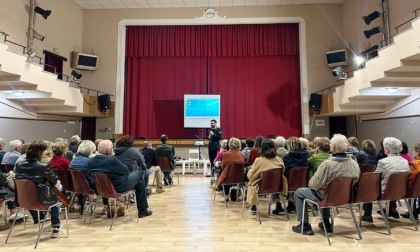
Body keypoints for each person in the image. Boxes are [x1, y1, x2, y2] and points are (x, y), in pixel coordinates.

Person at [292, 134, 359, 235]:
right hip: (346, 197)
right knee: (327, 189)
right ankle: (325, 222)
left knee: (299, 192)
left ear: (334, 147)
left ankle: (304, 225)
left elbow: (314, 185)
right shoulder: (354, 163)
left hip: (327, 197)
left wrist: (311, 182)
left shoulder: (327, 164)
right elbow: (356, 179)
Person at [88, 140, 152, 218]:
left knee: (139, 184)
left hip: (100, 189)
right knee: (140, 171)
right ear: (109, 151)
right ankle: (142, 210)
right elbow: (125, 170)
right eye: (112, 148)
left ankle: (143, 209)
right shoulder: (111, 160)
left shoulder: (90, 161)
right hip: (119, 187)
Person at [14, 140, 64, 238]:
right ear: (40, 153)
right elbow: (55, 180)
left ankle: (59, 207)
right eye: (45, 151)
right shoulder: (42, 166)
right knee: (58, 188)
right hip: (41, 199)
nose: (46, 152)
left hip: (23, 201)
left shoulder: (19, 164)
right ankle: (56, 226)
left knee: (55, 191)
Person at [362, 137, 410, 222]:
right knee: (392, 185)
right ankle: (392, 210)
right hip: (402, 191)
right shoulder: (405, 161)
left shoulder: (383, 162)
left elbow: (375, 178)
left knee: (367, 186)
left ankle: (367, 214)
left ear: (387, 150)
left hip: (385, 192)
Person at [246, 139, 286, 214]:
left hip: (261, 187)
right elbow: (282, 172)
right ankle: (278, 204)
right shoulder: (279, 160)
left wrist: (249, 174)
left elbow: (251, 175)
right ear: (274, 147)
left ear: (262, 148)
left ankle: (253, 205)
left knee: (251, 183)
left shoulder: (259, 160)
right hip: (277, 186)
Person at [401, 143, 420, 219]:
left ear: (417, 152)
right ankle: (414, 211)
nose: (412, 152)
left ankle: (412, 212)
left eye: (414, 151)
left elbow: (410, 178)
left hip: (415, 190)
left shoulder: (413, 165)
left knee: (411, 187)